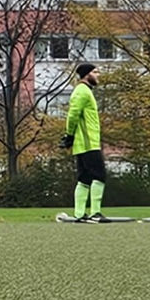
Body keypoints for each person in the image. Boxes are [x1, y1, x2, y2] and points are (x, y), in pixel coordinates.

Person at [60, 63, 110, 223]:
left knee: (84, 178)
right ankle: (95, 212)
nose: (98, 75)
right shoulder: (82, 91)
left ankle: (80, 214)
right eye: (95, 72)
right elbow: (73, 114)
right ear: (86, 75)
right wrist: (68, 135)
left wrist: (71, 137)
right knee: (99, 175)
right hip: (88, 142)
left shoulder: (84, 91)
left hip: (83, 142)